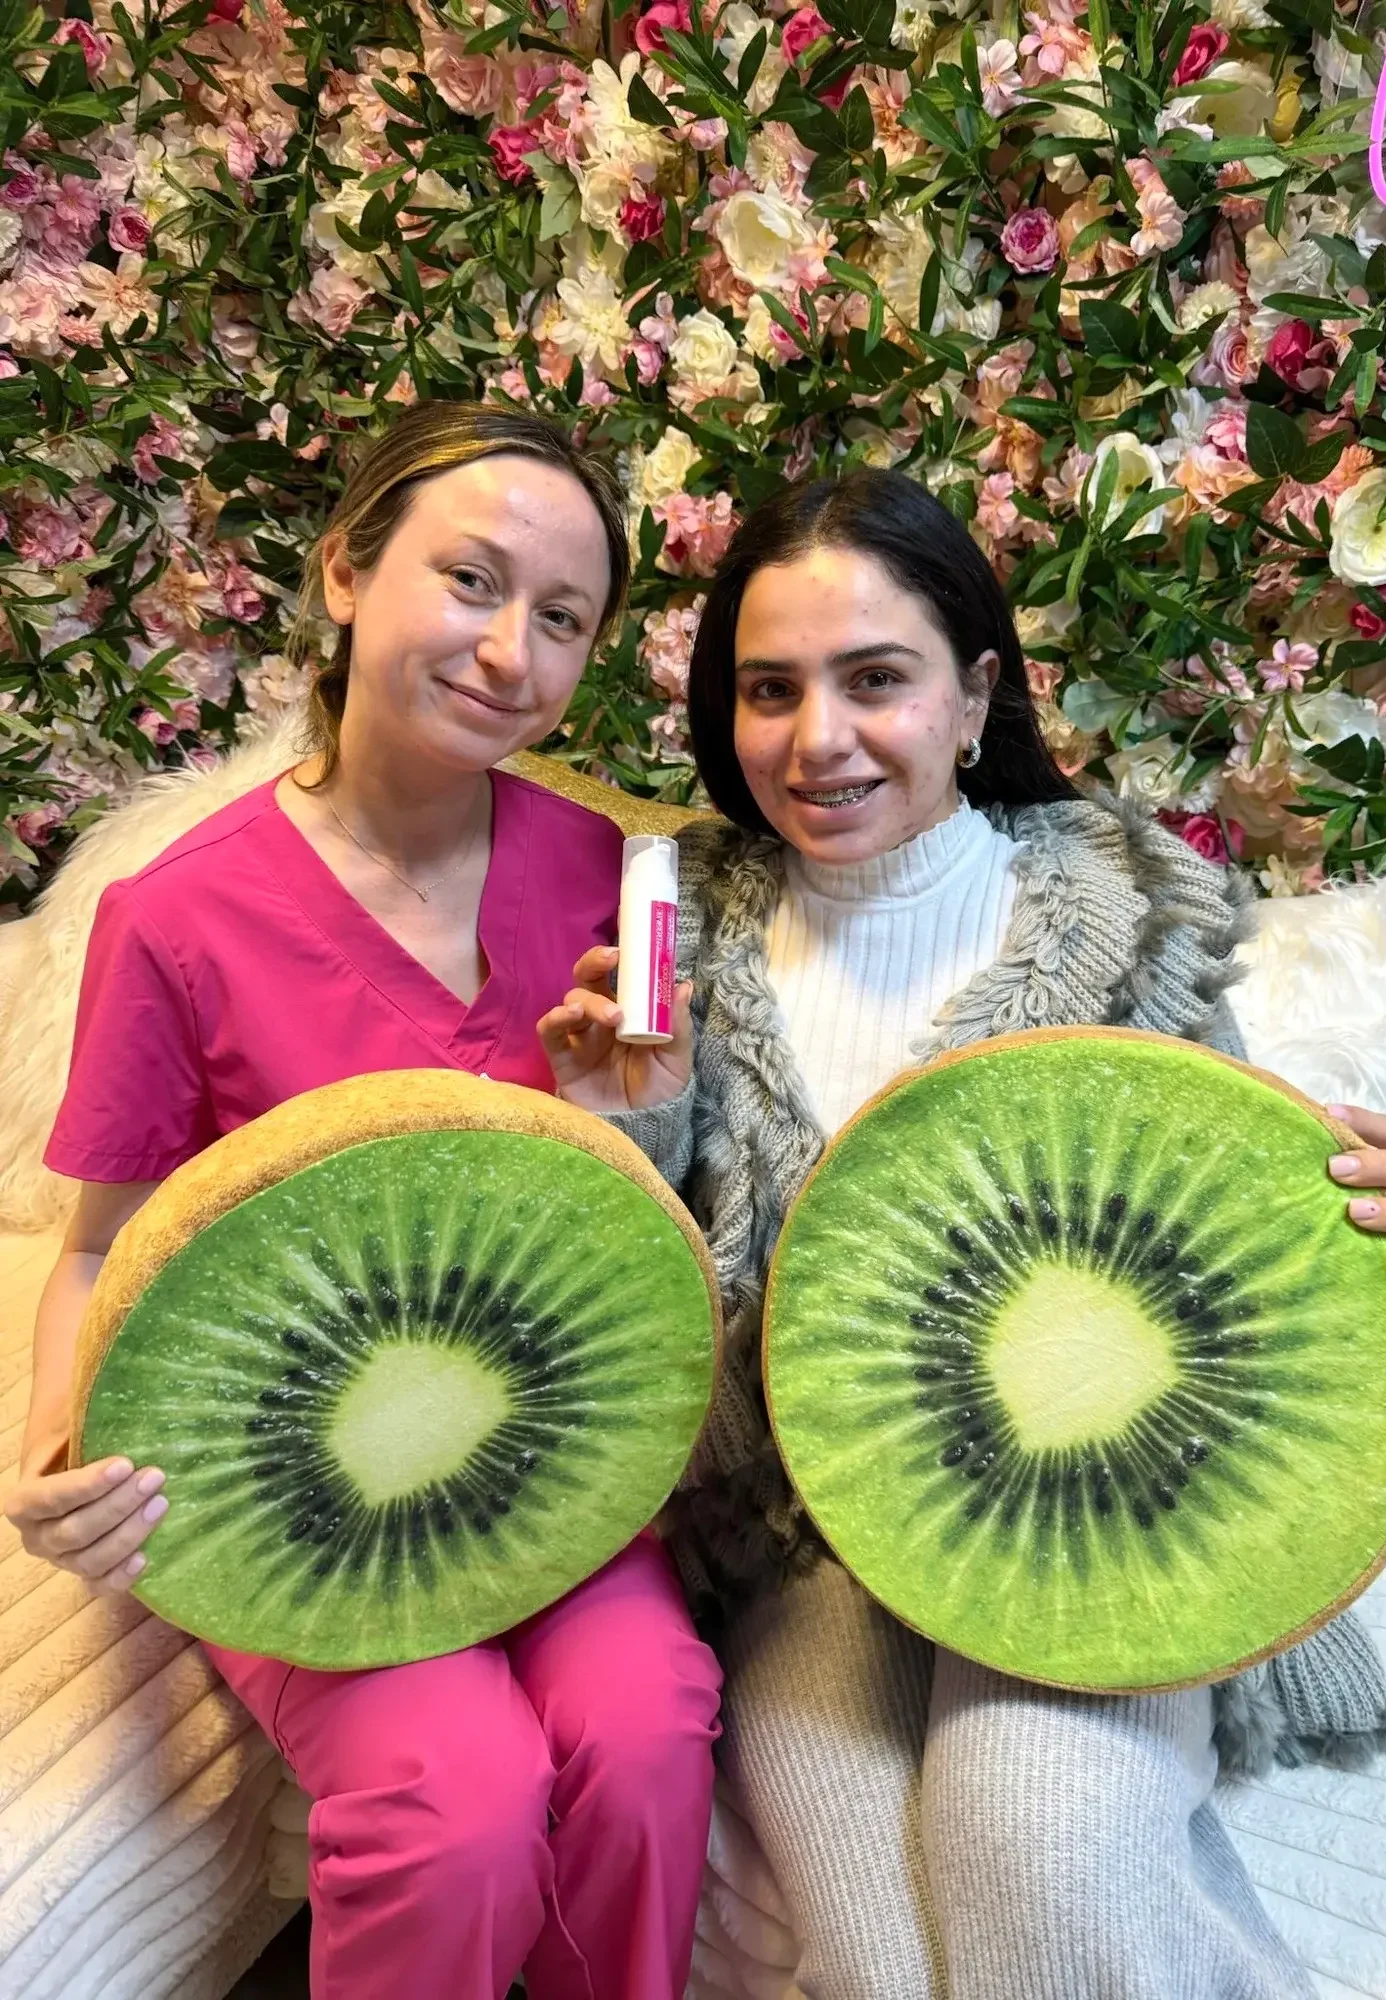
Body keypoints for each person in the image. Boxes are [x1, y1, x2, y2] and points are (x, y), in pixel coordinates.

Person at [538, 467, 1386, 2000]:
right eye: (770, 690)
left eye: (876, 680)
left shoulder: (1120, 918)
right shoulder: (673, 927)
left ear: (975, 694)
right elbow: (629, 1331)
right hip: (803, 1535)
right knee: (871, 1951)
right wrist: (625, 1121)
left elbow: (1234, 1229)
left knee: (1034, 1843)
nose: (818, 738)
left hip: (1100, 1513)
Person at [5, 402, 721, 2000]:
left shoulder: (613, 873)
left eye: (562, 620)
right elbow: (104, 1245)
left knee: (650, 1733)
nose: (509, 653)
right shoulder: (174, 918)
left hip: (549, 1448)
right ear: (345, 572)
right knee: (454, 1801)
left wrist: (634, 1120)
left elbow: (639, 1211)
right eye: (470, 581)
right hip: (293, 1470)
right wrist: (58, 1452)